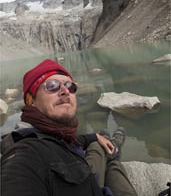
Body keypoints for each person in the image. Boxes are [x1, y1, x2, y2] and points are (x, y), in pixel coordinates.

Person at [1, 59, 137, 196]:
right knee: (112, 164)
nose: (65, 91)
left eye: (70, 86)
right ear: (31, 101)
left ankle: (110, 146)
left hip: (90, 180)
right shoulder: (25, 155)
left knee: (97, 144)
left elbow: (65, 141)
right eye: (52, 86)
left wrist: (94, 136)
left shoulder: (58, 136)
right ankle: (114, 155)